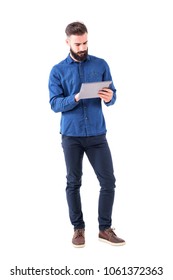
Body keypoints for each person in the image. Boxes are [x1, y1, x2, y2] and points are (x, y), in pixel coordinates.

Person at [48, 21, 125, 248]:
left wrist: (110, 97)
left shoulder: (101, 64)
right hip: (71, 136)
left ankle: (104, 229)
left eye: (85, 42)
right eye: (78, 44)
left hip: (97, 134)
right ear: (68, 42)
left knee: (108, 181)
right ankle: (78, 229)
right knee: (74, 182)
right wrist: (76, 97)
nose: (82, 48)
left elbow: (114, 97)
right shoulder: (57, 71)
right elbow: (54, 104)